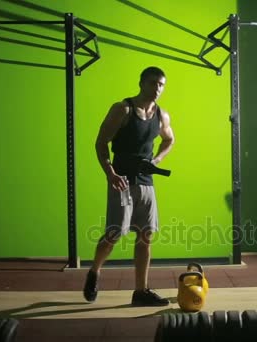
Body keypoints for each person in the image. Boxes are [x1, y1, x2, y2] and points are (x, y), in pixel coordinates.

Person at [83, 66, 175, 306]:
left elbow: (169, 139)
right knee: (114, 234)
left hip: (146, 183)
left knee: (146, 235)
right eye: (153, 83)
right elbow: (101, 143)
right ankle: (94, 271)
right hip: (121, 181)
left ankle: (141, 291)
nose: (158, 88)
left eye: (161, 84)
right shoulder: (122, 109)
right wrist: (110, 173)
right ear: (142, 83)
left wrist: (156, 160)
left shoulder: (162, 115)